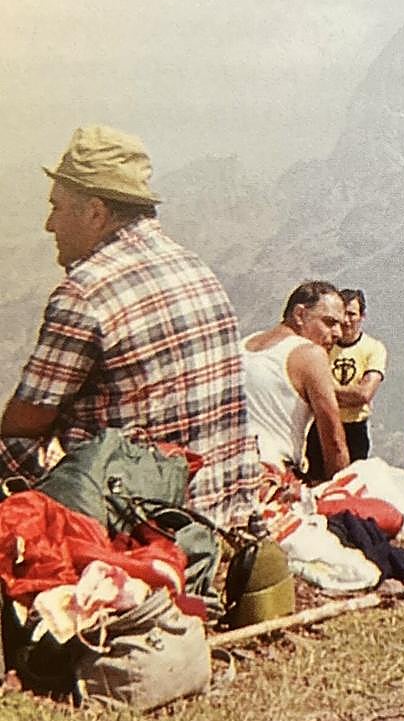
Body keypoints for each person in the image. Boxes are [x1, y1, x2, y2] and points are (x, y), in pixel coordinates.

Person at [0, 125, 261, 528]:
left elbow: (20, 426)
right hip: (220, 510)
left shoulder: (86, 292)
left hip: (146, 521)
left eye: (57, 207)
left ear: (95, 213)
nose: (50, 225)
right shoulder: (194, 267)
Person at [241, 281, 350, 481]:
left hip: (225, 469)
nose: (338, 334)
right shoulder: (310, 354)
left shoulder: (244, 345)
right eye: (329, 322)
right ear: (300, 314)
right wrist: (341, 494)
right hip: (269, 475)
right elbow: (334, 440)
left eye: (341, 325)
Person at [303, 288, 387, 480]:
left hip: (355, 430)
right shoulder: (321, 346)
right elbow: (306, 387)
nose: (347, 321)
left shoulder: (374, 348)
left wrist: (321, 392)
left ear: (362, 316)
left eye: (352, 314)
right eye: (343, 315)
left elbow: (364, 394)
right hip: (320, 426)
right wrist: (345, 395)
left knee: (349, 488)